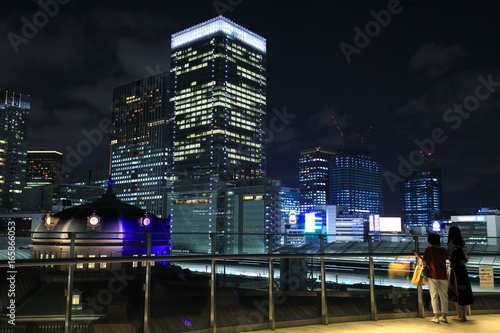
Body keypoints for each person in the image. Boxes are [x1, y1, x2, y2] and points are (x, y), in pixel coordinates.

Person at [413, 233, 448, 323]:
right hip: (443, 275)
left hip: (433, 274)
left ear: (430, 241)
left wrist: (418, 256)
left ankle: (436, 316)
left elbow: (425, 262)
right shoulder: (443, 250)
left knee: (434, 295)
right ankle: (444, 316)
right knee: (444, 296)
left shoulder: (430, 250)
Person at [447, 226, 473, 321]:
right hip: (463, 269)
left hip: (454, 270)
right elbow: (465, 256)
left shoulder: (451, 243)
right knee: (464, 291)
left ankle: (459, 315)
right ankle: (464, 316)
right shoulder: (463, 243)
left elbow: (449, 256)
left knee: (455, 291)